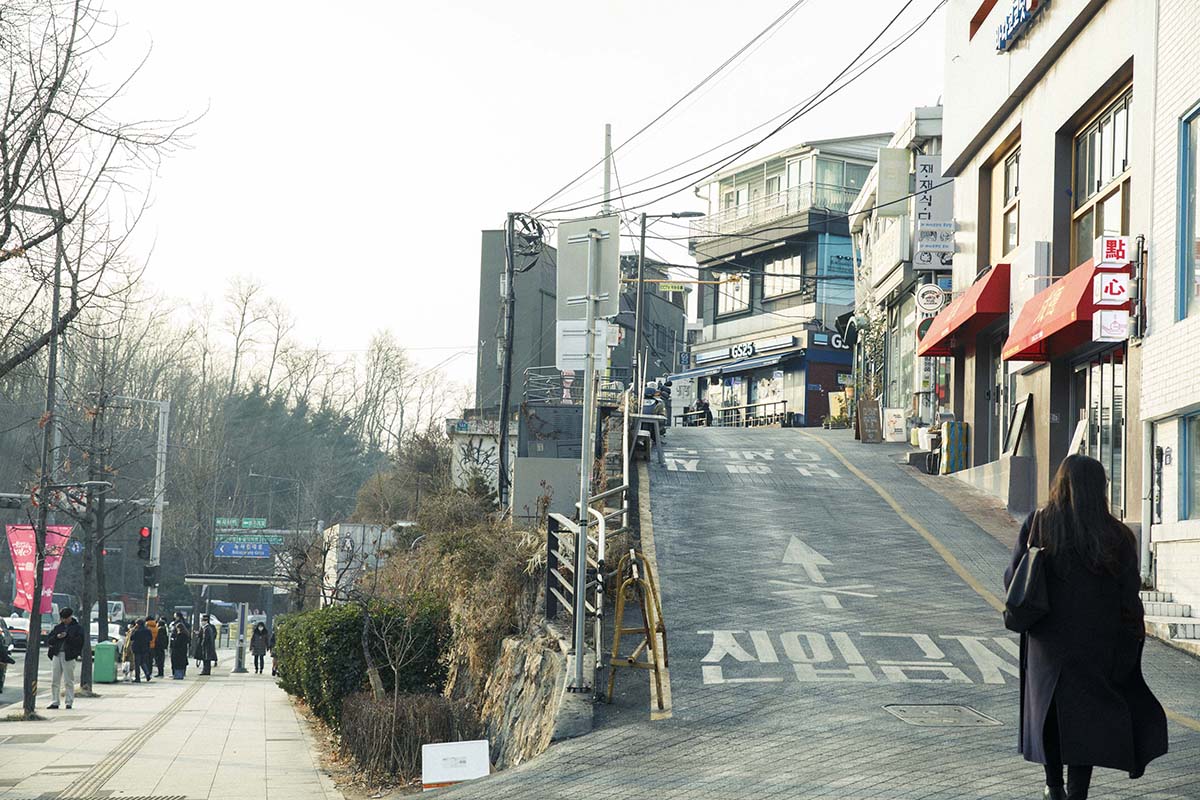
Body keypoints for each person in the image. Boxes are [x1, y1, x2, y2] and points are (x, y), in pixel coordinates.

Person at [1004, 455, 1168, 800]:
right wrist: (1130, 642)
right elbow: (1129, 596)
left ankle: (1053, 788)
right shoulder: (1117, 535)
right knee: (1086, 717)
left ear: (1060, 485)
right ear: (1100, 489)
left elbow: (1014, 577)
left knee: (1049, 713)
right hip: (1097, 642)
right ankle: (1078, 792)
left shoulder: (1040, 524)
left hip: (1047, 642)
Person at [46, 607, 84, 709]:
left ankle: (69, 701)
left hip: (69, 656)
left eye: (65, 618)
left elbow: (79, 642)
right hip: (57, 654)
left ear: (70, 617)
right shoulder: (58, 627)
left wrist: (67, 636)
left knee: (68, 680)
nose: (63, 620)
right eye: (62, 618)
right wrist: (57, 637)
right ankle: (55, 701)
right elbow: (49, 640)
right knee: (55, 680)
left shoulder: (77, 628)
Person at [130, 618, 153, 683]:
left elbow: (132, 638)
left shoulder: (136, 631)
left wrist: (133, 630)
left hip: (137, 649)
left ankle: (137, 678)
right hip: (145, 648)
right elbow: (151, 638)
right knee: (143, 662)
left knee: (137, 664)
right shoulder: (148, 630)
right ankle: (147, 674)